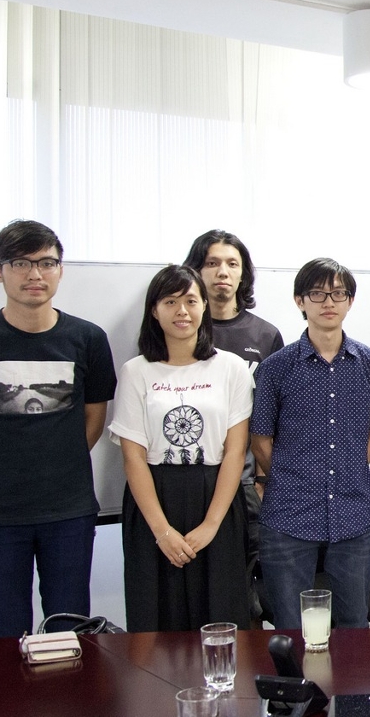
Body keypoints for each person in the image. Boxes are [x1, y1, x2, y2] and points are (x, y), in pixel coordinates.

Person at [0, 220, 117, 638]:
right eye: (21, 262)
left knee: (71, 629)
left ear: (60, 269)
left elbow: (95, 418)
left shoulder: (88, 338)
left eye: (46, 263)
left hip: (70, 511)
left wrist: (61, 464)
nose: (35, 274)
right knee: (5, 635)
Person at [251, 258, 370, 630]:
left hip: (352, 513)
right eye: (317, 293)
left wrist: (348, 465)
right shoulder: (276, 367)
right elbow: (261, 439)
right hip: (288, 516)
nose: (328, 301)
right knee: (292, 626)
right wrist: (288, 476)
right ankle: (297, 691)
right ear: (301, 301)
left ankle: (350, 692)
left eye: (338, 293)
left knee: (352, 625)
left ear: (349, 301)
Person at [109, 265, 253, 631]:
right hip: (154, 500)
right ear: (154, 310)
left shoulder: (231, 368)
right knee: (157, 615)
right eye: (170, 302)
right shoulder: (136, 371)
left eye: (191, 300)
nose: (182, 311)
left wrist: (211, 525)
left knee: (221, 612)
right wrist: (162, 532)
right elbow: (133, 456)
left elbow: (236, 452)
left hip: (216, 495)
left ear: (204, 306)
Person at [183, 230, 284, 623]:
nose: (222, 272)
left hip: (246, 483)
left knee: (243, 587)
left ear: (243, 275)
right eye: (211, 263)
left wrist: (262, 476)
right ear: (196, 270)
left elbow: (276, 414)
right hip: (193, 478)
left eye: (232, 264)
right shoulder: (182, 327)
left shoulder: (265, 335)